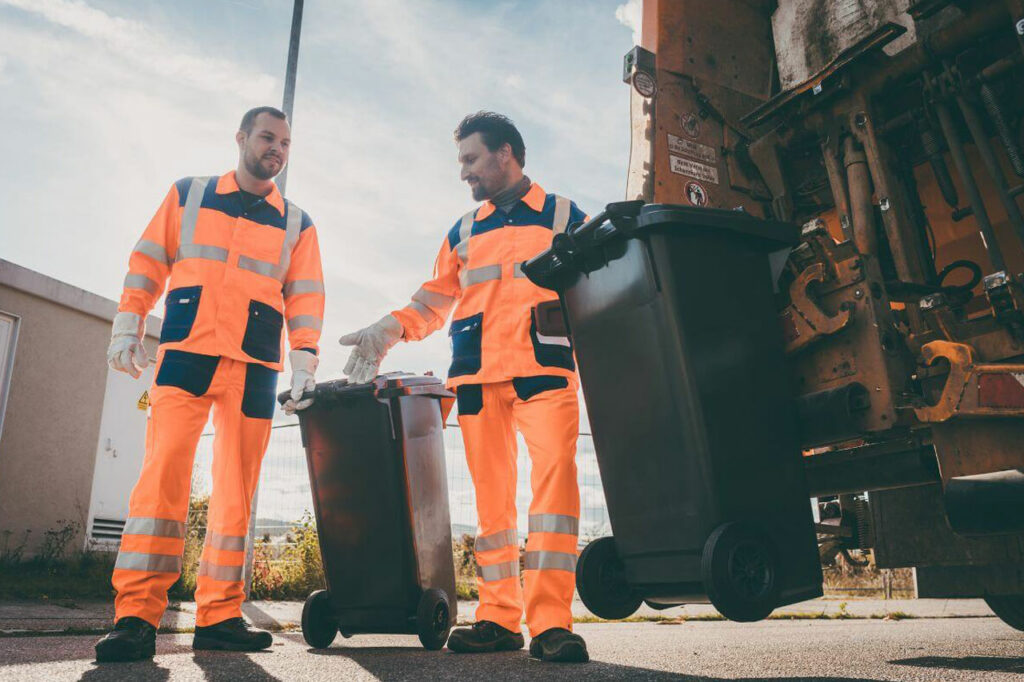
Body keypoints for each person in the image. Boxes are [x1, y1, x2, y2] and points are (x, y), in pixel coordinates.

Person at [340, 111, 589, 663]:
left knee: (554, 499)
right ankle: (500, 619)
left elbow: (598, 292)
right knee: (492, 506)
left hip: (543, 372)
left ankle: (551, 623)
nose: (464, 173)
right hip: (477, 380)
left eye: (471, 160)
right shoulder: (463, 230)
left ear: (505, 154)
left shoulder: (566, 216)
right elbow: (434, 300)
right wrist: (390, 329)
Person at [95, 106, 325, 662]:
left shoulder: (298, 222)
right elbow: (147, 261)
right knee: (160, 483)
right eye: (268, 137)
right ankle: (137, 616)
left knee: (236, 492)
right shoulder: (188, 194)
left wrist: (306, 363)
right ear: (242, 137)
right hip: (187, 352)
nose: (277, 149)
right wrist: (129, 323)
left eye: (286, 143)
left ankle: (220, 615)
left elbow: (306, 296)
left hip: (254, 362)